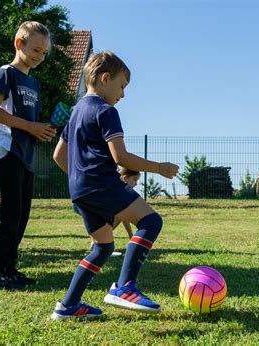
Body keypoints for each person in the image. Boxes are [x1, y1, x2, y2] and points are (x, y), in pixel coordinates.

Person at [51, 51, 178, 320]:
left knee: (103, 247)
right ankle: (124, 287)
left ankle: (68, 305)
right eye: (122, 86)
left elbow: (58, 156)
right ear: (105, 78)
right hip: (102, 184)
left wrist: (80, 180)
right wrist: (160, 168)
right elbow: (120, 157)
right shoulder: (106, 111)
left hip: (80, 190)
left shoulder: (75, 113)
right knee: (151, 222)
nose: (123, 94)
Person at [0, 21, 57, 288]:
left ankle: (9, 269)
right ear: (19, 44)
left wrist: (42, 130)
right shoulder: (6, 73)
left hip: (26, 156)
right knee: (8, 212)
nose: (39, 57)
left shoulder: (34, 84)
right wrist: (30, 127)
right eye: (35, 50)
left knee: (21, 215)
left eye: (43, 52)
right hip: (6, 151)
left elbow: (29, 123)